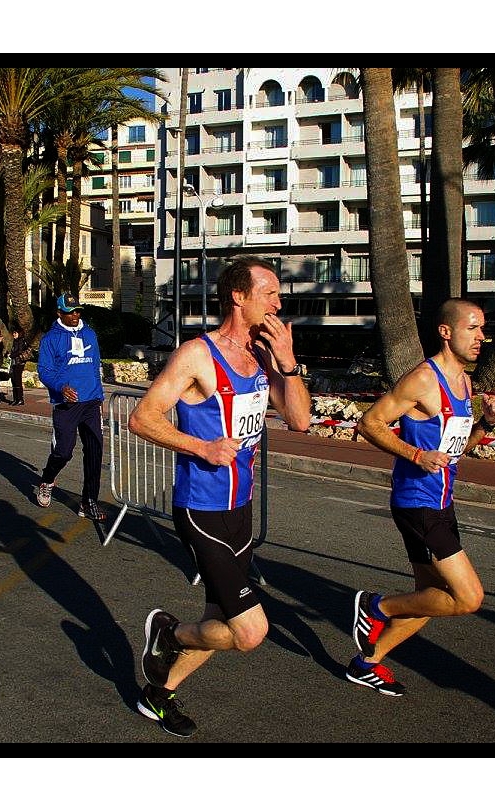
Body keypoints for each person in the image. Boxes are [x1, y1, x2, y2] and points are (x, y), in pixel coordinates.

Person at [127, 255, 312, 736]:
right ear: (239, 296)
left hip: (241, 509)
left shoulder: (265, 353)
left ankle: (158, 694)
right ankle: (169, 633)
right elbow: (142, 417)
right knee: (250, 632)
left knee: (220, 617)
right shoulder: (198, 355)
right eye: (269, 293)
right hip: (202, 508)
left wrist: (289, 365)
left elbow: (300, 420)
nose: (278, 301)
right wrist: (201, 445)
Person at [348, 297, 495, 697]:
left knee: (428, 599)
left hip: (441, 502)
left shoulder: (464, 383)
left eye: (482, 328)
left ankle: (366, 662)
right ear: (445, 331)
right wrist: (416, 454)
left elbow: (457, 450)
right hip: (417, 502)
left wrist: (484, 424)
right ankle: (376, 607)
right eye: (472, 328)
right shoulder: (423, 379)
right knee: (468, 598)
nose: (481, 337)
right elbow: (370, 423)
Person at [35, 294, 108, 522]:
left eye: (78, 311)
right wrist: (60, 387)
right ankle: (47, 480)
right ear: (59, 313)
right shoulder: (51, 339)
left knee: (95, 451)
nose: (75, 315)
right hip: (66, 404)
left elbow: (95, 365)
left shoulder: (90, 333)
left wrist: (99, 395)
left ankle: (88, 502)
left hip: (91, 402)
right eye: (70, 311)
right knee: (63, 451)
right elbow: (44, 371)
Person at [8, 326, 30, 406]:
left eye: (15, 333)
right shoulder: (15, 341)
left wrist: (11, 355)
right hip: (14, 362)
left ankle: (20, 399)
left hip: (19, 363)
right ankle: (15, 399)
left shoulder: (21, 340)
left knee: (17, 381)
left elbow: (19, 351)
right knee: (13, 380)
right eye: (13, 333)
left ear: (19, 333)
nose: (14, 334)